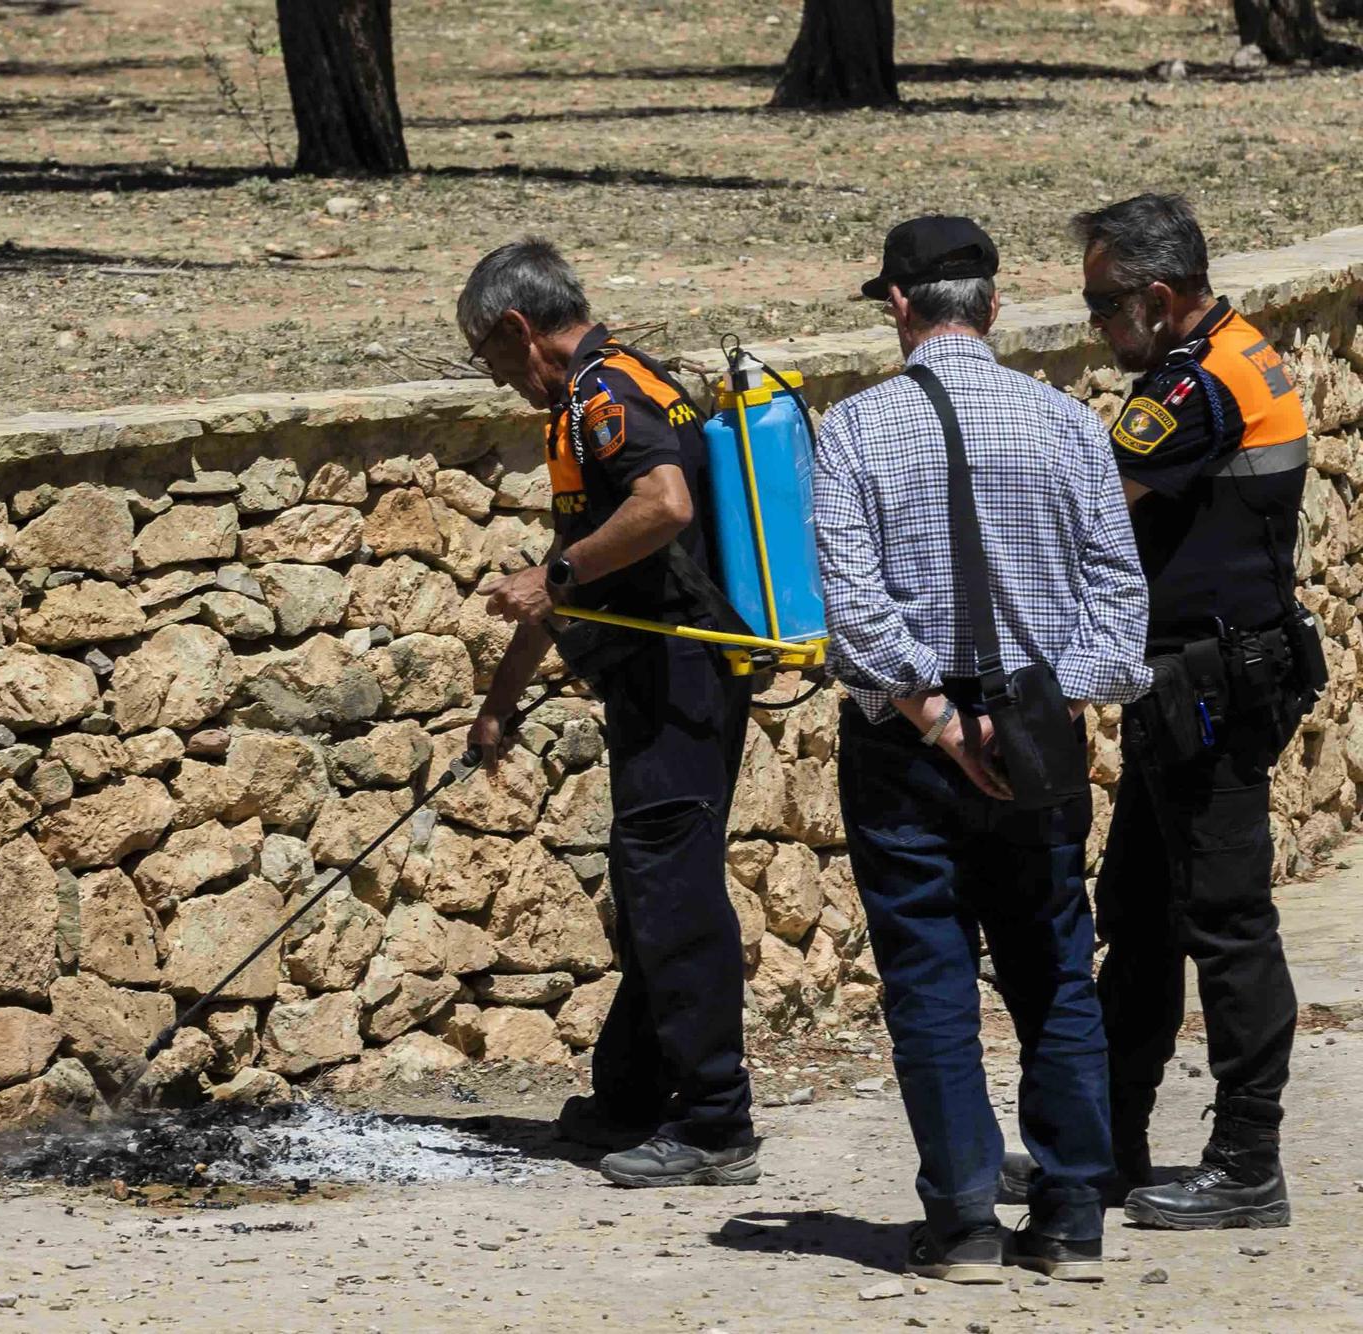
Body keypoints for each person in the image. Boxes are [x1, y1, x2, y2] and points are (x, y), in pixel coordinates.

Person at [815, 216, 1152, 1282]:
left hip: (904, 742)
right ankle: (1069, 1220)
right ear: (993, 306)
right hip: (1037, 730)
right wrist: (1045, 708)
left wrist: (940, 721)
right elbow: (1116, 603)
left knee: (927, 974)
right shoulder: (1066, 423)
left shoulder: (854, 428)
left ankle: (961, 1220)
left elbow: (855, 610)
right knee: (1053, 965)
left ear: (899, 308)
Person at [459, 238, 759, 1188]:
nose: (497, 378)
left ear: (518, 326)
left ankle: (715, 1122)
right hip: (666, 678)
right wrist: (499, 705)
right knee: (650, 890)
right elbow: (579, 570)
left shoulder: (603, 395)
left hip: (680, 676)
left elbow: (660, 509)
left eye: (489, 356)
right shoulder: (609, 388)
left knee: (670, 892)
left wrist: (553, 574)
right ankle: (632, 1095)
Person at [1060, 194, 1313, 1230]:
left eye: (1100, 305)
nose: (1092, 327)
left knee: (1225, 921)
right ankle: (1105, 1142)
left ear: (1156, 299)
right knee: (1137, 912)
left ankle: (1246, 1161)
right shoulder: (1240, 349)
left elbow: (1095, 510)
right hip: (1202, 672)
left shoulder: (1190, 382)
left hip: (1204, 681)